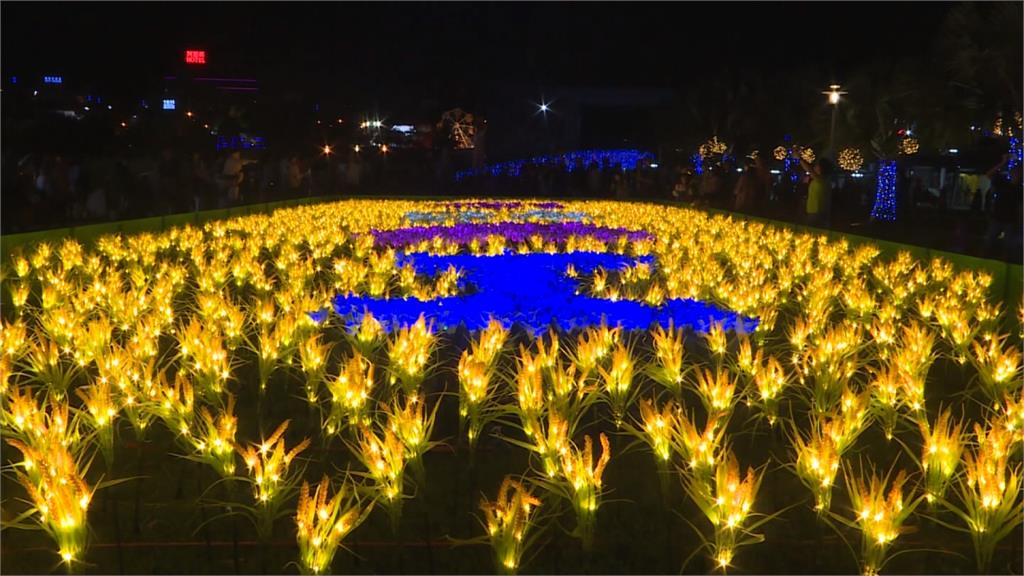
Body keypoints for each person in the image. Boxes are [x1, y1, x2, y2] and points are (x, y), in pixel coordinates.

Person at [983, 154, 1023, 259]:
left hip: (1009, 220)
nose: (1016, 175)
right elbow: (989, 174)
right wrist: (1002, 163)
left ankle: (1004, 261)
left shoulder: (1019, 189)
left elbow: (1020, 206)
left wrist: (1019, 220)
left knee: (1008, 246)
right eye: (1014, 172)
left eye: (1018, 173)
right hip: (998, 217)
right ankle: (988, 259)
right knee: (990, 242)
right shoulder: (1003, 182)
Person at [798, 150, 832, 227]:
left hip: (816, 213)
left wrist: (799, 158)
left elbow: (809, 170)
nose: (814, 167)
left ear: (821, 168)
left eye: (816, 165)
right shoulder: (819, 180)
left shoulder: (821, 180)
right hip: (814, 211)